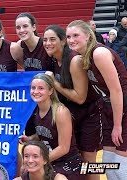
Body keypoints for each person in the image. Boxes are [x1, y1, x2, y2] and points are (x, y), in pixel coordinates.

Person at [66, 20, 127, 180]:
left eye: (76, 35)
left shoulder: (99, 53)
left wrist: (117, 124)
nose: (71, 40)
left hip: (122, 104)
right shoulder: (81, 57)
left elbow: (116, 90)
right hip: (108, 106)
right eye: (68, 36)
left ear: (87, 36)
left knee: (120, 164)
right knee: (108, 162)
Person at [43, 25, 102, 180]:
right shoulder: (54, 61)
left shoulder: (75, 60)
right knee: (78, 161)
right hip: (72, 117)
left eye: (52, 39)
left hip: (90, 115)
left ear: (63, 41)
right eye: (45, 40)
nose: (48, 43)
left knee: (89, 162)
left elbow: (80, 97)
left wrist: (55, 84)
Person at [20, 73, 83, 179]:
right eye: (33, 88)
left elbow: (64, 148)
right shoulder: (35, 110)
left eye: (41, 88)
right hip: (49, 160)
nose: (36, 92)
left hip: (67, 161)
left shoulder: (60, 112)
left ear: (50, 91)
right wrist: (30, 138)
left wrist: (40, 162)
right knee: (23, 173)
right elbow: (44, 133)